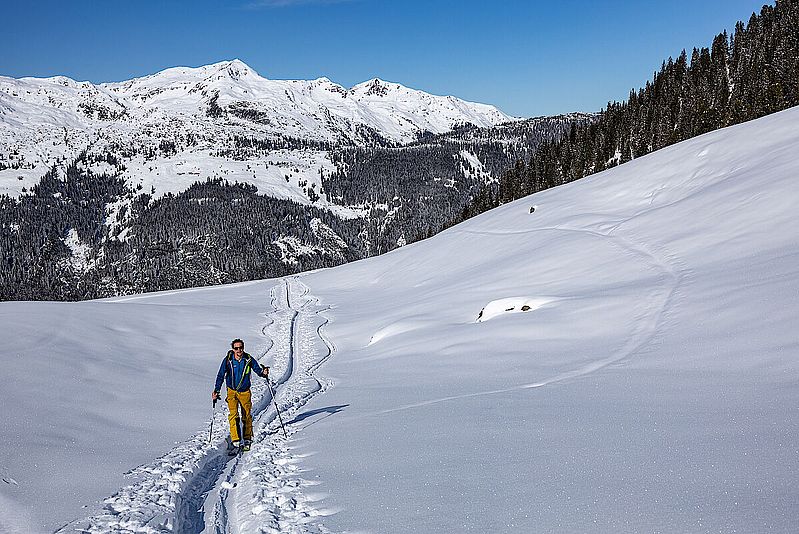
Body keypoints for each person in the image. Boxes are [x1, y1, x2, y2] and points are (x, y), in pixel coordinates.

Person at [212, 339, 269, 452]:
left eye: (241, 347)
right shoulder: (228, 360)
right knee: (233, 415)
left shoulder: (248, 359)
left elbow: (258, 370)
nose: (239, 350)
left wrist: (264, 373)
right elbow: (220, 375)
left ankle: (247, 438)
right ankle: (236, 440)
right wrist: (216, 390)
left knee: (246, 415)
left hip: (244, 392)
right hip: (231, 391)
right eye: (236, 348)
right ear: (233, 349)